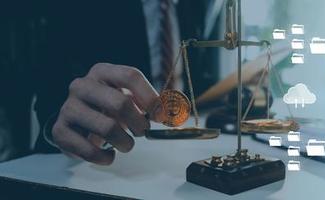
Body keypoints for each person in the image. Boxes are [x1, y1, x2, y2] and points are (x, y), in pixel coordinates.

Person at [33, 0, 226, 165]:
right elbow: (52, 93)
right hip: (109, 162)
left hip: (176, 156)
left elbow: (196, 79)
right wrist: (74, 123)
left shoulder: (198, 4)